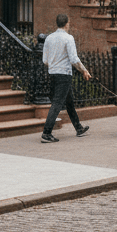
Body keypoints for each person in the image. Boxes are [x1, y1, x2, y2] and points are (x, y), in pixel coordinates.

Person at [40, 13, 91, 142]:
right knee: (57, 103)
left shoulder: (49, 38)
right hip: (64, 74)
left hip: (52, 73)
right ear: (67, 23)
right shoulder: (68, 38)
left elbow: (45, 60)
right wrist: (84, 70)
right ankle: (46, 133)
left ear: (57, 23)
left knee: (69, 102)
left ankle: (78, 128)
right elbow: (74, 59)